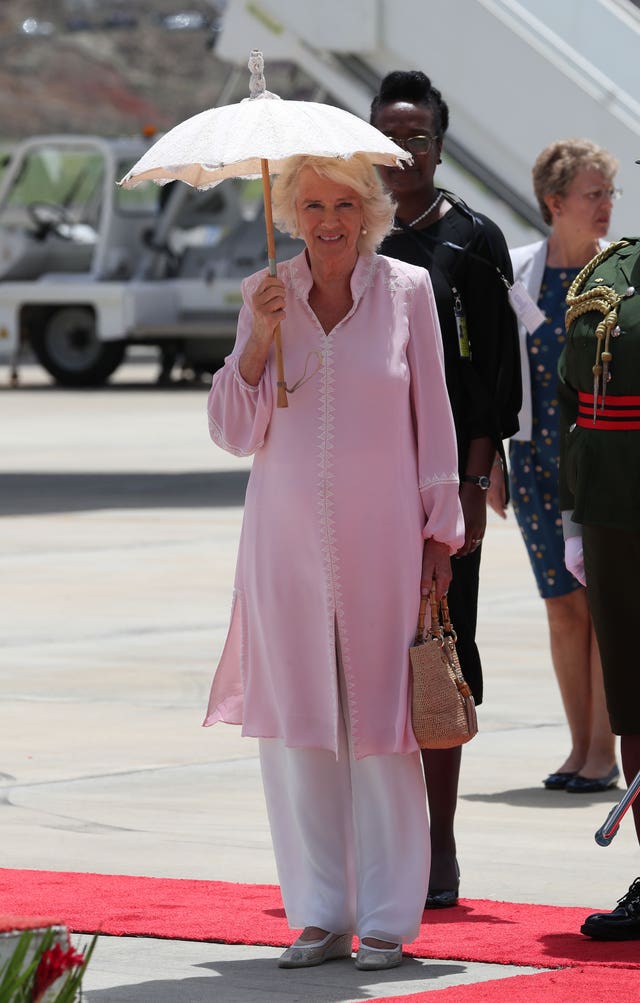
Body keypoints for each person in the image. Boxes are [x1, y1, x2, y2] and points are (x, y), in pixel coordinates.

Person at [203, 152, 465, 969]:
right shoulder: (264, 293)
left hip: (386, 542)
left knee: (383, 726)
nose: (328, 220)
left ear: (370, 212)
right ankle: (320, 913)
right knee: (300, 728)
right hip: (282, 547)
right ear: (290, 211)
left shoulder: (407, 292)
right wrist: (258, 344)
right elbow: (233, 431)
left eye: (344, 203)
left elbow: (435, 413)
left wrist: (439, 531)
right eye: (311, 203)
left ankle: (387, 915)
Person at [370, 71, 521, 908]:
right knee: (365, 658)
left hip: (440, 485)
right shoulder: (349, 235)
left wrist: (471, 482)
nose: (406, 153)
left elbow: (497, 380)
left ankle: (439, 845)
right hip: (362, 481)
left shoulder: (473, 241)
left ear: (440, 142)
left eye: (419, 137)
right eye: (390, 138)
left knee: (439, 653)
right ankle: (376, 841)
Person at [488, 140, 620, 794]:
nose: (605, 206)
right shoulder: (519, 274)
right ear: (554, 201)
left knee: (602, 606)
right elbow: (502, 373)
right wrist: (493, 461)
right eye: (592, 194)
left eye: (608, 194)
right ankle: (578, 747)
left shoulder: (620, 273)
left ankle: (604, 752)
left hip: (602, 467)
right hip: (536, 459)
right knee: (560, 607)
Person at [558, 224, 640, 939]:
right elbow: (570, 397)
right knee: (636, 705)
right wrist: (571, 511)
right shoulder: (611, 268)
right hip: (613, 514)